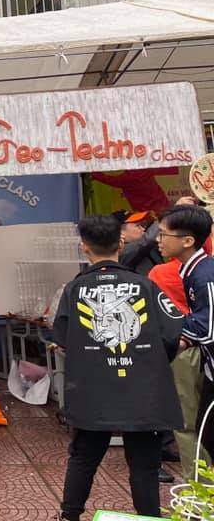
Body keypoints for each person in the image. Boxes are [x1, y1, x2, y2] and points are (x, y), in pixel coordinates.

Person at [53, 214, 182, 521]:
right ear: (121, 243)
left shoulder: (74, 290)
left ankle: (70, 516)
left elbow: (61, 338)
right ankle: (149, 517)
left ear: (84, 247)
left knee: (83, 457)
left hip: (92, 390)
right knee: (145, 465)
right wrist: (149, 361)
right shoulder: (146, 286)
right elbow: (172, 333)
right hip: (143, 390)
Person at [157, 205, 214, 461]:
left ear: (188, 241)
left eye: (163, 234)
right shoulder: (192, 270)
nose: (158, 240)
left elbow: (207, 328)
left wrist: (171, 332)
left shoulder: (204, 275)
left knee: (206, 433)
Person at [120, 211, 163, 276]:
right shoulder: (120, 252)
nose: (143, 229)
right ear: (121, 232)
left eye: (143, 225)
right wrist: (164, 218)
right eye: (137, 225)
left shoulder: (149, 247)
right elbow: (148, 240)